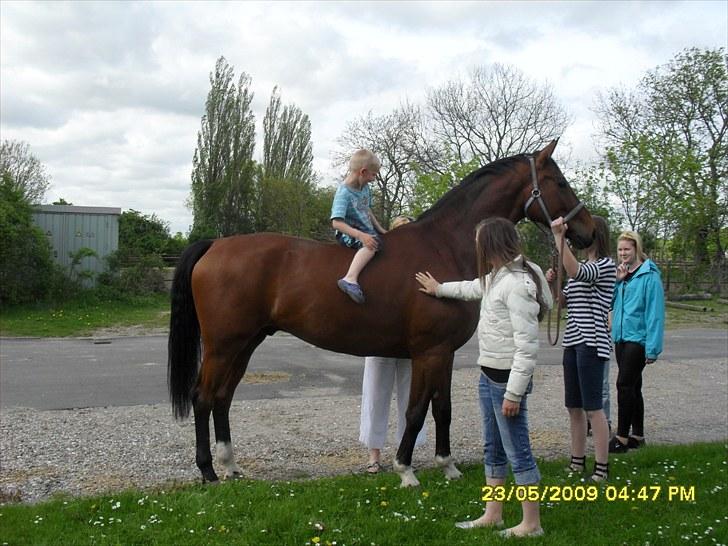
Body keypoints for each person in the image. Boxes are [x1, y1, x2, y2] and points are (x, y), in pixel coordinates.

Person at [415, 217, 551, 538]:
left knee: (518, 450)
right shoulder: (498, 277)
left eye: (479, 242)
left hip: (507, 383)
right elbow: (471, 287)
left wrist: (514, 393)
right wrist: (439, 289)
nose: (475, 247)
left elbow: (527, 346)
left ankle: (532, 523)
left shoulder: (518, 284)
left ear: (491, 245)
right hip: (488, 377)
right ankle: (494, 513)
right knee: (493, 449)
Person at [546, 215, 616, 481]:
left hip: (592, 342)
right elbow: (563, 301)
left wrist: (559, 238)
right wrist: (554, 283)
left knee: (593, 408)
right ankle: (577, 462)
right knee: (574, 407)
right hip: (573, 341)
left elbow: (577, 272)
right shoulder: (583, 265)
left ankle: (601, 467)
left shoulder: (606, 266)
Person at [359, 216, 426, 473]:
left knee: (411, 396)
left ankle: (405, 451)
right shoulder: (378, 261)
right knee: (375, 394)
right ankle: (373, 456)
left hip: (410, 343)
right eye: (400, 231)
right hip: (380, 339)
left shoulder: (420, 263)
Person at [609, 230, 665, 453]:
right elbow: (610, 302)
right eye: (620, 249)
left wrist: (652, 348)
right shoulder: (623, 274)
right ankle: (638, 435)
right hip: (621, 337)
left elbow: (655, 314)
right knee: (634, 386)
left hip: (638, 339)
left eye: (627, 249)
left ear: (636, 249)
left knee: (623, 385)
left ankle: (622, 438)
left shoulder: (649, 276)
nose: (623, 253)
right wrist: (617, 281)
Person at [330, 149, 387, 304]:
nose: (374, 179)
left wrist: (380, 229)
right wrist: (361, 236)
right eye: (373, 175)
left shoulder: (364, 189)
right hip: (348, 233)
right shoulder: (344, 193)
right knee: (373, 244)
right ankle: (350, 278)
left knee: (380, 239)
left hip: (365, 230)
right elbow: (336, 222)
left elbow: (366, 210)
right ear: (363, 171)